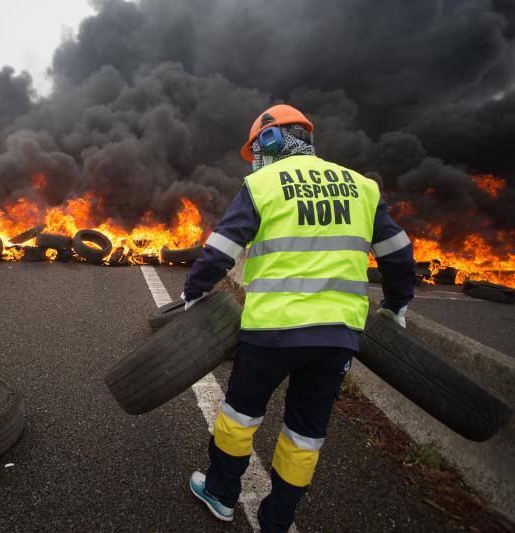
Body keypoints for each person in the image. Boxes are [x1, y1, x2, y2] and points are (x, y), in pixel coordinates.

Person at [184, 105, 415, 531]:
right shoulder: (362, 187)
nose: (256, 157)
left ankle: (220, 493)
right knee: (305, 435)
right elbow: (398, 253)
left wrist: (193, 292)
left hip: (271, 331)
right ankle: (278, 520)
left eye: (257, 147)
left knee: (239, 416)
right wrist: (397, 304)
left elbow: (221, 250)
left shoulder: (262, 184)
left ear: (272, 139)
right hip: (337, 336)